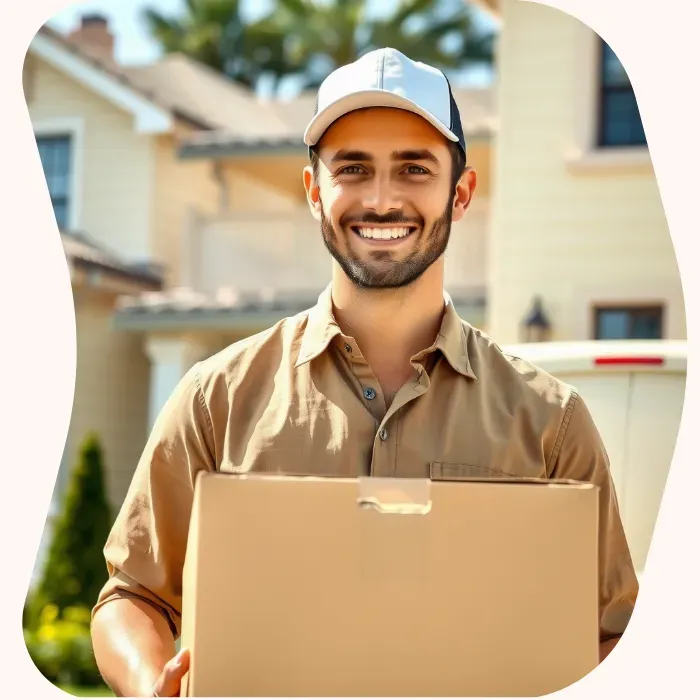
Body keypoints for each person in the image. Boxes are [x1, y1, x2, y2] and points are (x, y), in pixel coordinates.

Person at [91, 48, 638, 697]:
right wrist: (152, 681)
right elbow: (132, 596)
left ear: (459, 193)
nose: (382, 200)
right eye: (353, 168)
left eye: (414, 168)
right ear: (314, 189)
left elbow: (615, 630)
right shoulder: (217, 399)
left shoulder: (550, 421)